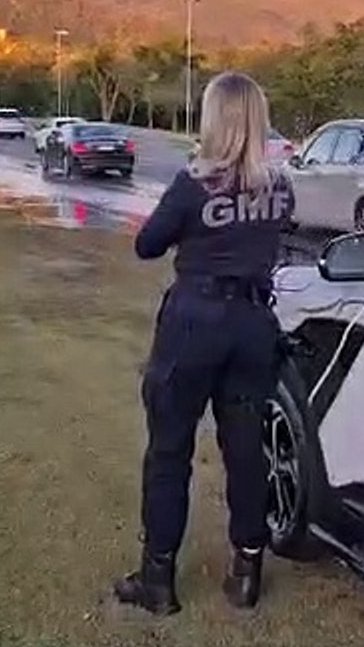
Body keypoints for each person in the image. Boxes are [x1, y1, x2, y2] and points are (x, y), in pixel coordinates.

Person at [113, 72, 295, 615]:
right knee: (245, 450)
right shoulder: (281, 185)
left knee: (170, 449)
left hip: (195, 322)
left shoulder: (194, 185)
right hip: (253, 324)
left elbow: (147, 245)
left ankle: (158, 579)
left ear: (213, 119)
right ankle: (247, 572)